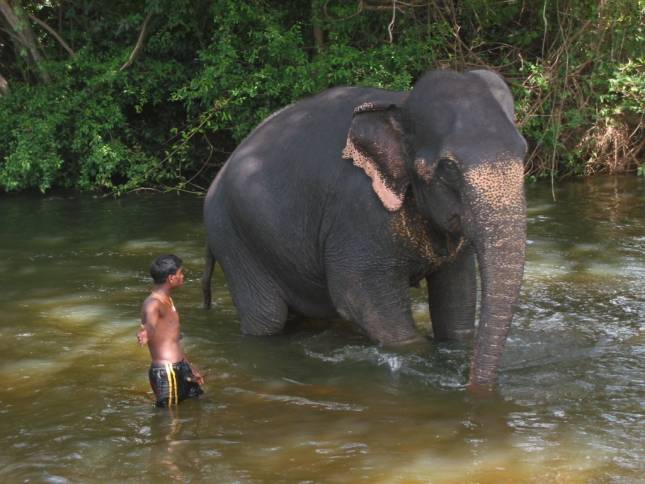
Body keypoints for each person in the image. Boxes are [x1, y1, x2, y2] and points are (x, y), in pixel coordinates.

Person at [137, 254, 204, 407]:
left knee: (198, 404)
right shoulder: (153, 303)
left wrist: (189, 368)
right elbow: (150, 323)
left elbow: (173, 341)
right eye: (181, 273)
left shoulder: (167, 299)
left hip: (180, 366)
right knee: (168, 420)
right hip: (166, 372)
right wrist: (146, 332)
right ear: (171, 278)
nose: (183, 276)